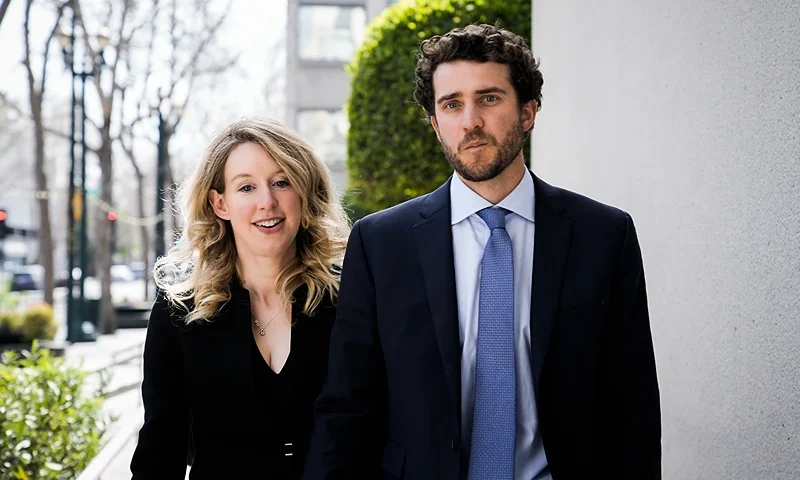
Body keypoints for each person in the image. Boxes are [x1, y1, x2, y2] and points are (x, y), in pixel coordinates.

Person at [303, 24, 661, 480]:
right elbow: (347, 407)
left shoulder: (604, 236)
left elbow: (633, 407)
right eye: (451, 105)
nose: (469, 120)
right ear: (435, 124)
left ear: (528, 112)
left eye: (489, 98)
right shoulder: (381, 243)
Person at [130, 118, 350, 479]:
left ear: (305, 193)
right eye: (246, 187)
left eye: (282, 182)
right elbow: (160, 444)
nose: (267, 201)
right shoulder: (180, 309)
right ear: (220, 203)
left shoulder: (350, 298)